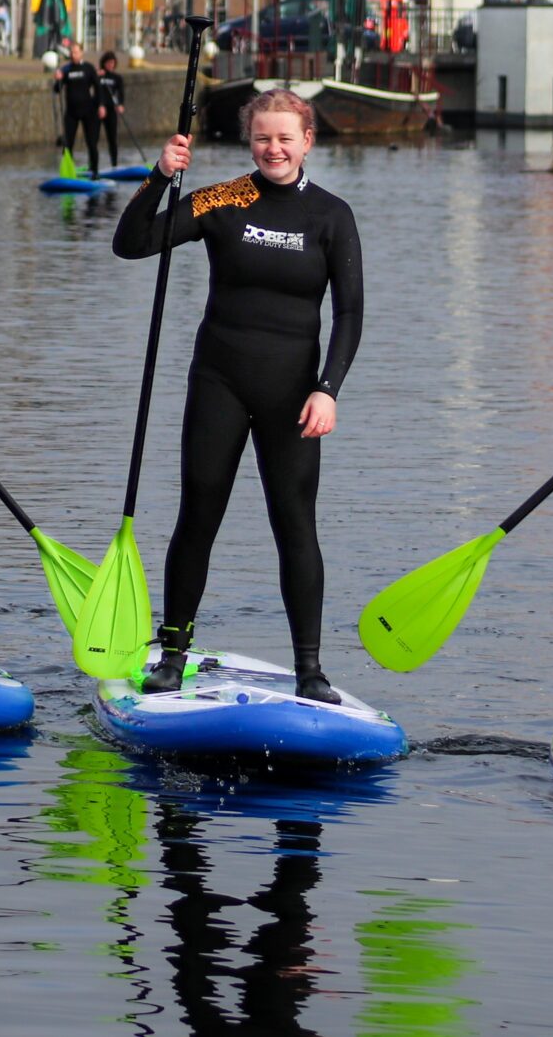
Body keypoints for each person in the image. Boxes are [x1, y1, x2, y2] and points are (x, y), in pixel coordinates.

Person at [112, 87, 363, 703]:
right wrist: (157, 175)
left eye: (285, 138)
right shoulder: (223, 198)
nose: (272, 148)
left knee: (295, 527)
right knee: (197, 517)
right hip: (219, 382)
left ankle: (311, 669)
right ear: (248, 141)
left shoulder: (332, 216)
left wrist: (327, 390)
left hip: (293, 397)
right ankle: (172, 653)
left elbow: (350, 315)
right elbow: (132, 243)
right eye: (261, 138)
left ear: (307, 141)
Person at [55, 49, 103, 176]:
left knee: (91, 142)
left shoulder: (88, 68)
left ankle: (95, 171)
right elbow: (57, 90)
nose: (73, 54)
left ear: (81, 53)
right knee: (67, 144)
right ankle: (68, 172)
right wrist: (58, 79)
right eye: (71, 52)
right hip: (71, 112)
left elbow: (98, 87)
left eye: (75, 52)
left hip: (88, 111)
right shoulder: (65, 70)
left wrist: (101, 105)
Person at [94, 50, 127, 157]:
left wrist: (120, 104)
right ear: (103, 63)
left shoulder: (117, 78)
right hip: (98, 110)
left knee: (112, 137)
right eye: (108, 63)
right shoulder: (98, 76)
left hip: (111, 109)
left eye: (112, 63)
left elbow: (121, 92)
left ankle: (114, 163)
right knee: (94, 138)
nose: (110, 65)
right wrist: (96, 75)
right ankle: (93, 164)